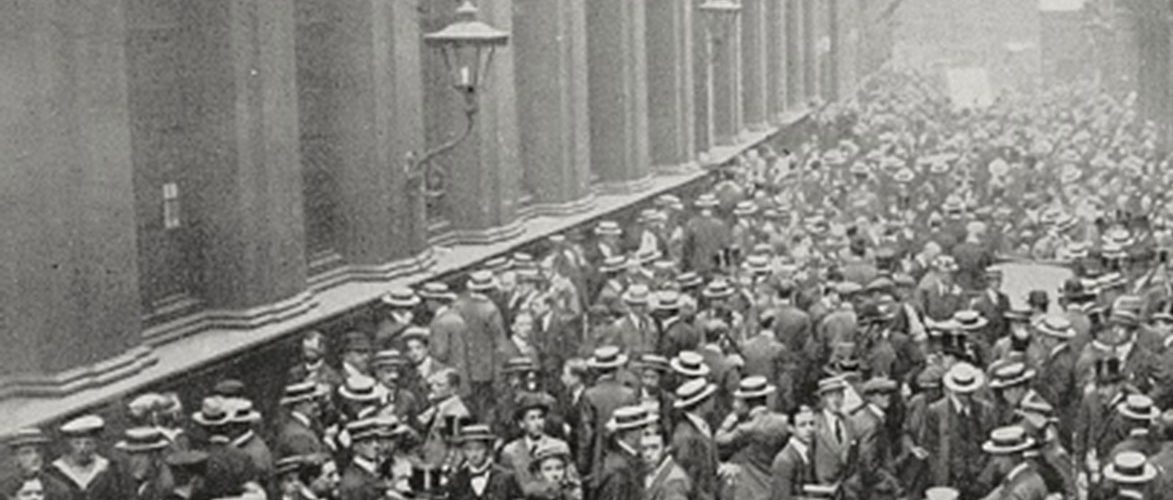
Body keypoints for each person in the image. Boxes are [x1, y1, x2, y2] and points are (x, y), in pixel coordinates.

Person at [924, 363, 995, 499]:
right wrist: (939, 478)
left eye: (969, 392)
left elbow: (991, 448)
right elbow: (931, 448)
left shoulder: (985, 411)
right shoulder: (936, 411)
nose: (965, 397)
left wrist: (983, 478)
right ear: (952, 390)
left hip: (978, 483)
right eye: (961, 393)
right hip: (949, 481)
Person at [716, 376, 790, 500]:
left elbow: (719, 441)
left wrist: (729, 420)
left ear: (746, 403)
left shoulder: (746, 429)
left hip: (750, 491)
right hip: (776, 488)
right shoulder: (782, 422)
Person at [499, 392, 576, 498]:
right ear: (521, 424)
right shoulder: (510, 452)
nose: (538, 423)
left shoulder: (560, 447)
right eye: (532, 418)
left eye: (540, 417)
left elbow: (573, 484)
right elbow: (505, 488)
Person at [577, 347, 637, 476]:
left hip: (598, 460)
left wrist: (582, 466)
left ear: (596, 370)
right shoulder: (629, 394)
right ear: (616, 369)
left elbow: (586, 436)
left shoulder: (590, 395)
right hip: (624, 457)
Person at [847, 377, 902, 500]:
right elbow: (868, 465)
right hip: (872, 490)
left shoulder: (863, 415)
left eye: (889, 393)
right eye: (881, 394)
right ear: (870, 397)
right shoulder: (872, 423)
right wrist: (893, 483)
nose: (887, 397)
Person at [46, 415, 125, 500]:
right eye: (77, 443)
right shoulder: (54, 473)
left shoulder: (108, 470)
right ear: (69, 444)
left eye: (88, 443)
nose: (82, 449)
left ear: (96, 444)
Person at [670, 378, 720, 500]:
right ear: (701, 404)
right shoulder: (686, 436)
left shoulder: (702, 426)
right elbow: (688, 478)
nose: (714, 401)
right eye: (710, 397)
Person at [445, 425, 523, 500]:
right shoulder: (456, 481)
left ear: (487, 449)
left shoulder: (506, 478)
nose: (474, 454)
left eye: (479, 448)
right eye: (469, 449)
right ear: (463, 451)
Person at [593, 406, 655, 500]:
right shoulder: (619, 471)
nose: (648, 433)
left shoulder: (625, 459)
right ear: (633, 433)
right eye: (644, 428)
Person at [979, 426, 1048, 500]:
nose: (996, 462)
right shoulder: (1016, 479)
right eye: (995, 456)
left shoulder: (1021, 487)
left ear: (1015, 456)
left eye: (1001, 456)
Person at [0, 429, 70, 500]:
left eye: (38, 451)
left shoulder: (57, 488)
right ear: (15, 457)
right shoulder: (4, 488)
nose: (35, 457)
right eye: (26, 453)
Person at [770, 405, 821, 500]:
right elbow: (781, 498)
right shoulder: (784, 460)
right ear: (790, 428)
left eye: (812, 423)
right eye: (802, 425)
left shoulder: (809, 453)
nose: (809, 429)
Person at [114, 427, 173, 500]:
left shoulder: (164, 487)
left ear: (154, 455)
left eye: (139, 455)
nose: (134, 461)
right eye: (130, 454)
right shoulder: (134, 484)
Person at [338, 419, 385, 500]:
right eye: (367, 442)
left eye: (377, 440)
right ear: (355, 447)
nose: (376, 445)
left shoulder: (378, 469)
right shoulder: (353, 482)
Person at [642, 430, 692, 500]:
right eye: (644, 448)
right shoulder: (652, 474)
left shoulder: (674, 481)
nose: (648, 454)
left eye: (654, 447)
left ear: (667, 448)